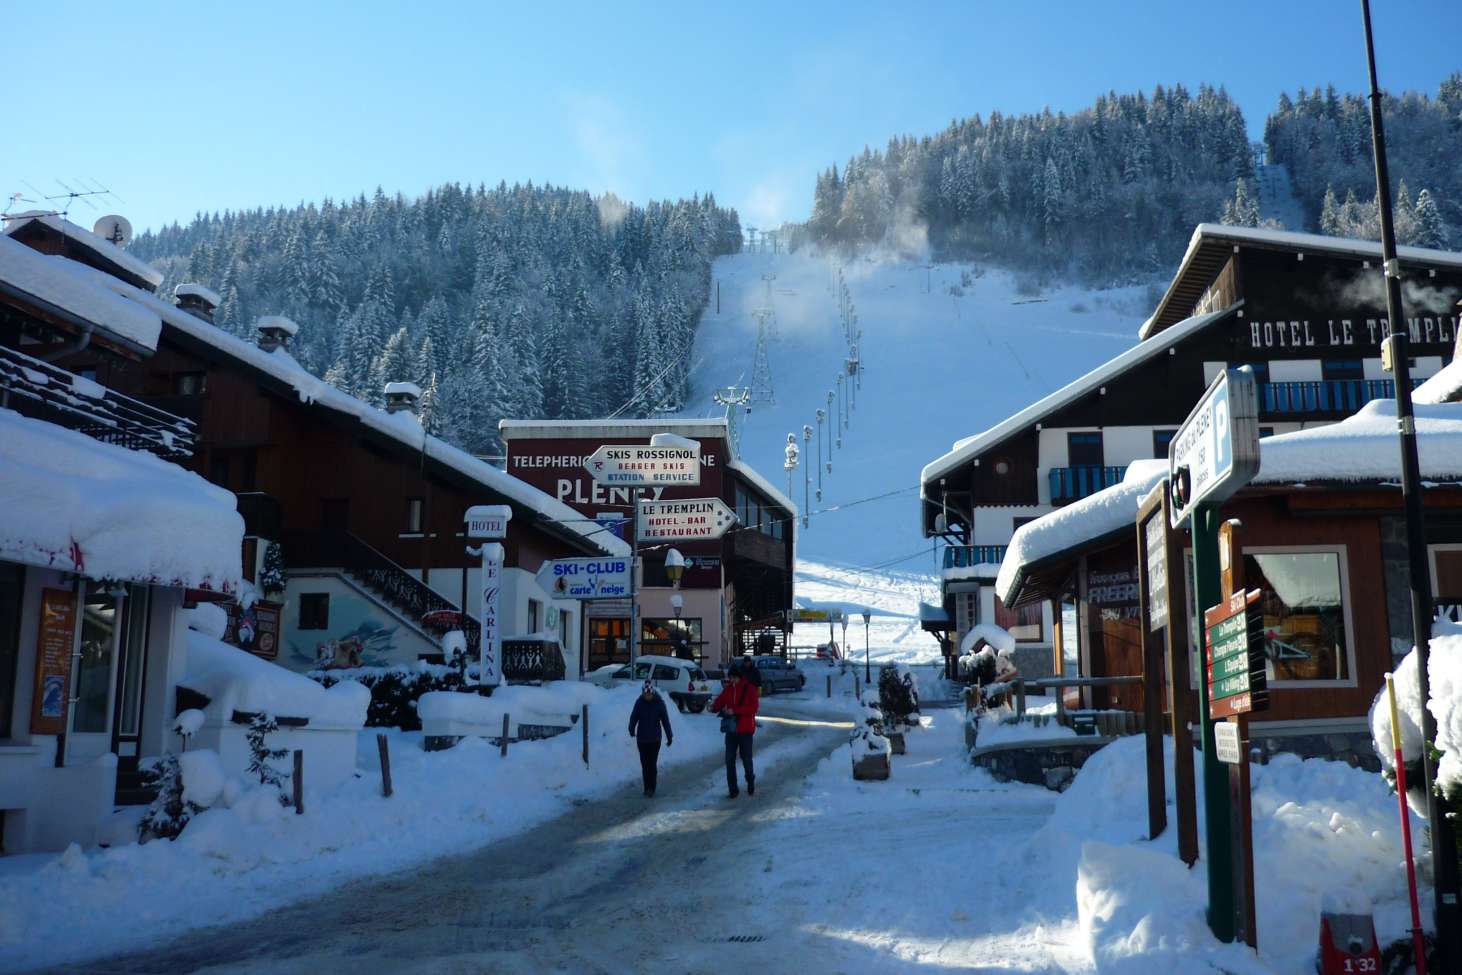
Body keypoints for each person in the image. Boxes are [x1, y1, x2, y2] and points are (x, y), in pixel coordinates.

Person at [710, 661, 760, 798]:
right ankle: (733, 789)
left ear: (738, 677)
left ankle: (750, 780)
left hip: (745, 730)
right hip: (731, 730)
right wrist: (713, 707)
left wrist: (735, 711)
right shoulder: (729, 689)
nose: (730, 680)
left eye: (732, 677)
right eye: (730, 678)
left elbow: (754, 708)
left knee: (746, 759)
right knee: (729, 760)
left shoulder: (750, 689)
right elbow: (720, 701)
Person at [628, 679, 673, 797]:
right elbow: (634, 717)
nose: (647, 695)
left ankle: (651, 788)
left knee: (652, 764)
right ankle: (646, 787)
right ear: (642, 692)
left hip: (655, 740)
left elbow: (665, 721)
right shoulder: (639, 702)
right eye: (645, 693)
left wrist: (669, 736)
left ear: (652, 692)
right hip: (642, 740)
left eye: (648, 693)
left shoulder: (659, 703)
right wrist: (631, 729)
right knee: (644, 764)